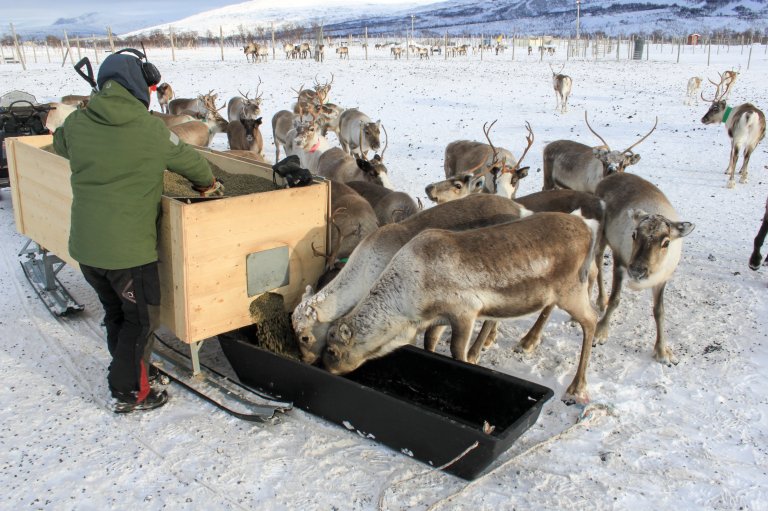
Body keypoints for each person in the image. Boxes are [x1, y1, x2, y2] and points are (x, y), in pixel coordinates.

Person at [53, 49, 223, 413]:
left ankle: (131, 368)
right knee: (141, 322)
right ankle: (131, 391)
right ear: (138, 87)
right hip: (129, 256)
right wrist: (208, 184)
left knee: (115, 313)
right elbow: (192, 163)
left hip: (87, 250)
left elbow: (59, 143)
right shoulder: (149, 130)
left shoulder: (79, 123)